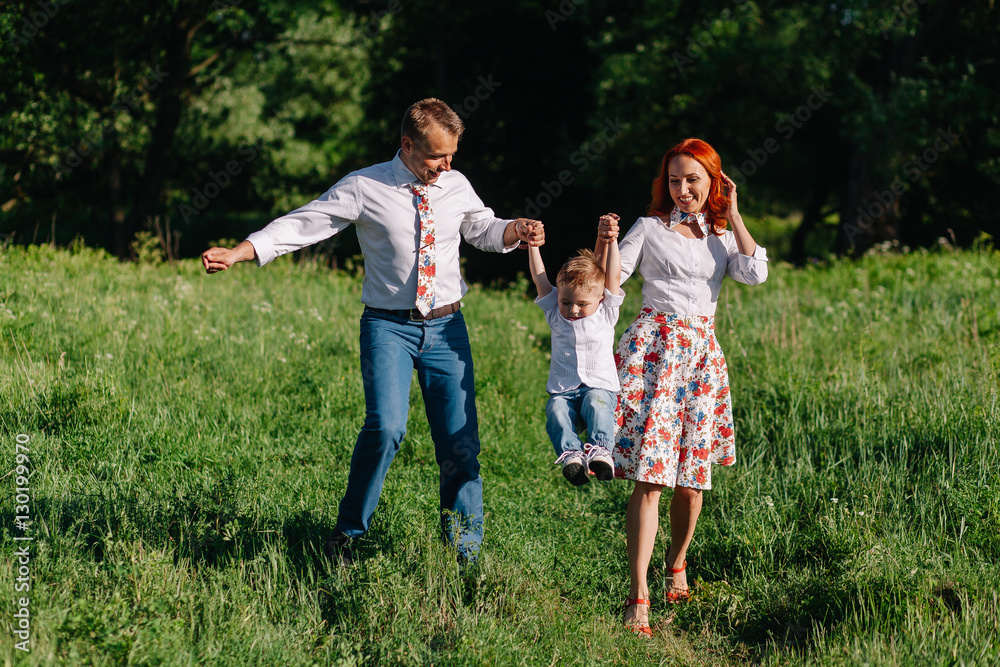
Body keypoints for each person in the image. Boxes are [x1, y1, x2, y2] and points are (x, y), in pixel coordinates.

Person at [201, 98, 544, 564]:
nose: (445, 166)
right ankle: (346, 536)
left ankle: (465, 556)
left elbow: (482, 228)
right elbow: (306, 223)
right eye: (435, 157)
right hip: (389, 327)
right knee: (385, 427)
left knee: (459, 443)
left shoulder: (455, 184)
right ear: (406, 144)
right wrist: (242, 251)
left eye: (452, 156)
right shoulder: (366, 186)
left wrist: (514, 230)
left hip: (448, 328)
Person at [596, 137, 768, 636]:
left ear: (713, 181)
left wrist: (733, 215)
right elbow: (613, 283)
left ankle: (677, 562)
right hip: (654, 353)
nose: (683, 188)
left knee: (692, 484)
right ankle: (638, 596)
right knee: (650, 479)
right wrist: (606, 243)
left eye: (693, 179)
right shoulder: (649, 227)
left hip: (701, 360)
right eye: (674, 180)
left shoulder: (721, 233)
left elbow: (754, 273)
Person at [527, 215, 625, 486]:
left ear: (600, 298)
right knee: (555, 409)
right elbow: (539, 278)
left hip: (599, 386)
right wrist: (533, 245)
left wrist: (612, 240)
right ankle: (571, 455)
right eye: (566, 301)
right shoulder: (555, 314)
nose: (572, 309)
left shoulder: (606, 313)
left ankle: (601, 450)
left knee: (597, 403)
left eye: (582, 303)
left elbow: (613, 275)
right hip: (564, 390)